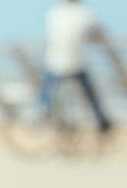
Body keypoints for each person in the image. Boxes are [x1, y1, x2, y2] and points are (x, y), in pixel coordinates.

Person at [40, 0, 113, 134]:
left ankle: (42, 113)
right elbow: (97, 35)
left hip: (54, 61)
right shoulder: (85, 15)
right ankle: (102, 121)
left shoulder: (54, 12)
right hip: (76, 63)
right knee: (90, 93)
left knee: (47, 90)